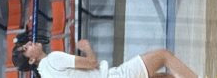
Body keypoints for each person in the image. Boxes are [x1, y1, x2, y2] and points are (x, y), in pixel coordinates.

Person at [12, 37, 199, 78]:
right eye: (26, 48)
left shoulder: (45, 75)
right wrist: (87, 48)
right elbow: (92, 63)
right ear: (31, 60)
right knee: (164, 55)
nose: (29, 43)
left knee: (162, 77)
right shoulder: (52, 59)